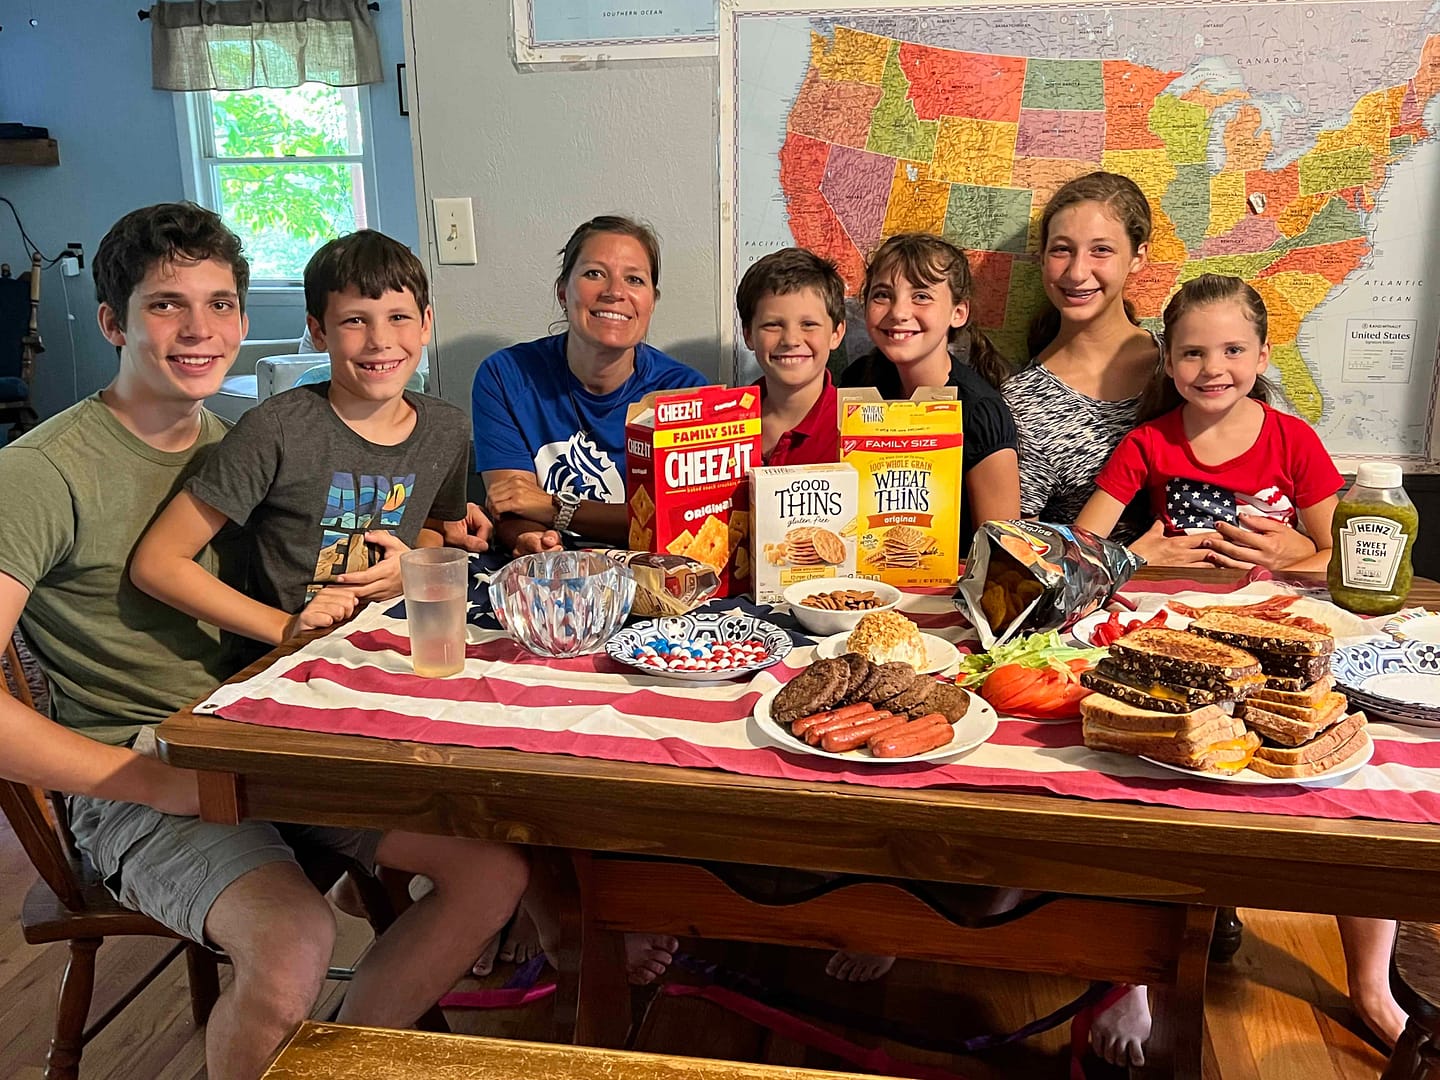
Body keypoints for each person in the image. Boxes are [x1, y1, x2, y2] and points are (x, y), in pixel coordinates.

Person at [65, 211, 522, 1079]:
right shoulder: (279, 427)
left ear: (427, 325)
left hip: (380, 697)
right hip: (283, 719)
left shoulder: (444, 427)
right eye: (354, 319)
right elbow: (160, 561)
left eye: (398, 318)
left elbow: (431, 525)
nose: (379, 340)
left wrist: (421, 557)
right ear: (317, 329)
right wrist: (284, 627)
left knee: (497, 872)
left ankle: (339, 1056)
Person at [472, 215, 708, 553]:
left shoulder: (683, 391)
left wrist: (557, 509)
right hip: (547, 572)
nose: (614, 292)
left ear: (651, 302)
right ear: (563, 292)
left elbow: (682, 522)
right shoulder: (505, 376)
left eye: (634, 279)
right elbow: (512, 503)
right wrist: (532, 539)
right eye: (594, 274)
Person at [1075, 274, 1339, 573]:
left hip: (1270, 605)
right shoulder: (1146, 443)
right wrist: (1136, 561)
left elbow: (1342, 557)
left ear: (1262, 356)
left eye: (1233, 350)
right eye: (1193, 353)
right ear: (1170, 363)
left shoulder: (1293, 439)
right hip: (1168, 608)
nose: (1212, 368)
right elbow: (1081, 554)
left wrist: (1286, 569)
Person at [837, 232, 1020, 553]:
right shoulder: (856, 383)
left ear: (958, 313)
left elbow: (1003, 549)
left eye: (921, 296)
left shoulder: (979, 410)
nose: (898, 312)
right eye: (882, 295)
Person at [1005, 171, 1159, 544]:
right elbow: (1023, 554)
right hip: (1107, 597)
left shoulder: (1190, 363)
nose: (1077, 272)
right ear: (1041, 258)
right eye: (1061, 250)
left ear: (1138, 257)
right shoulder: (1021, 404)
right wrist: (1138, 560)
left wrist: (1296, 547)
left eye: (1101, 250)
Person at [737, 247, 846, 465]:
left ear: (836, 334)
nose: (791, 340)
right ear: (748, 335)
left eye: (808, 325)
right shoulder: (722, 424)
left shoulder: (856, 431)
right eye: (773, 325)